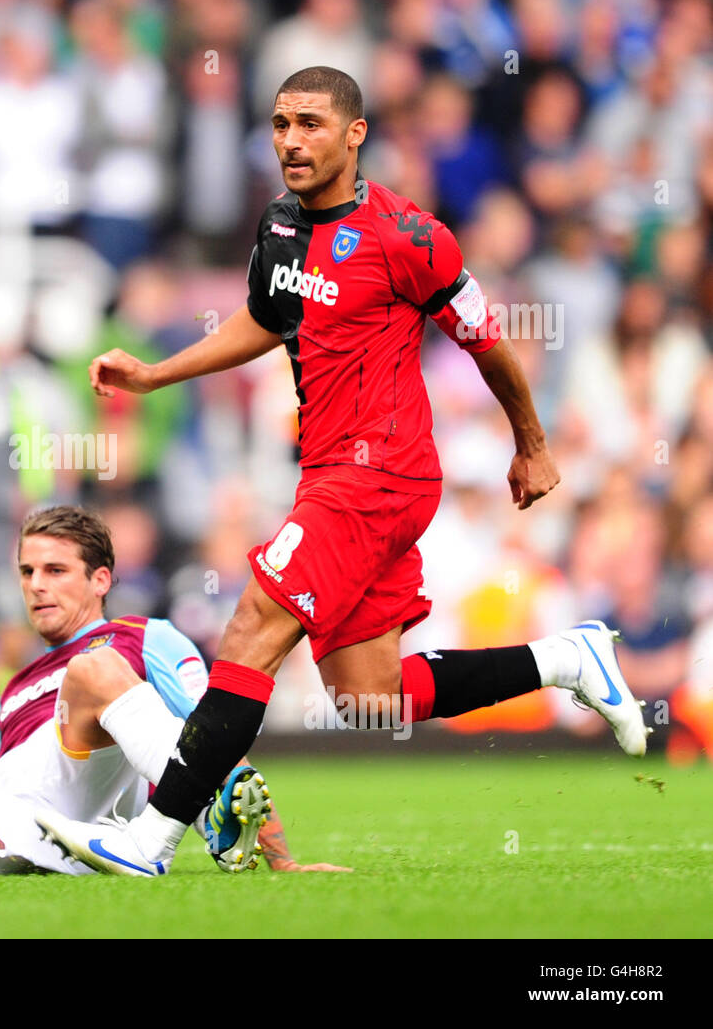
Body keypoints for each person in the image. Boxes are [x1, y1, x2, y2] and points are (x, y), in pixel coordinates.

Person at [38, 66, 649, 878]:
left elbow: (487, 340)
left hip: (381, 475)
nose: (291, 140)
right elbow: (265, 317)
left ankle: (150, 839)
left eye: (312, 124)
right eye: (282, 123)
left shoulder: (412, 238)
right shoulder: (280, 225)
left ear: (355, 134)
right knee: (369, 697)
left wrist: (531, 443)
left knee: (253, 627)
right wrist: (155, 373)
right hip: (328, 471)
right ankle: (569, 660)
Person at [0, 505, 346, 877]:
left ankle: (192, 823)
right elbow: (5, 791)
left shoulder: (144, 638)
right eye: (27, 572)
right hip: (32, 823)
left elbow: (214, 733)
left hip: (94, 810)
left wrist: (282, 861)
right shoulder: (11, 689)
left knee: (92, 671)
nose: (36, 587)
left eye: (55, 571)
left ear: (101, 580)